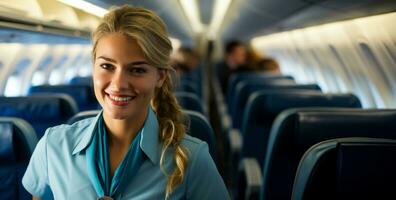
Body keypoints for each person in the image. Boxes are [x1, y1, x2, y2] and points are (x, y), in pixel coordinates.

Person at [22, 5, 229, 200]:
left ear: (160, 77)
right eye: (107, 66)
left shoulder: (191, 160)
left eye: (137, 70)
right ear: (93, 67)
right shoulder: (54, 147)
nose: (119, 84)